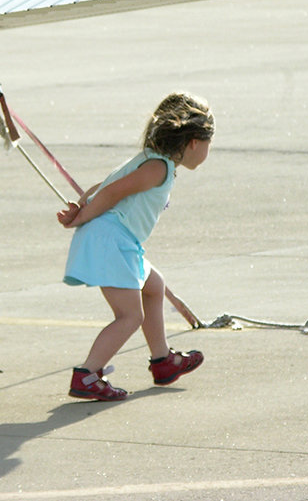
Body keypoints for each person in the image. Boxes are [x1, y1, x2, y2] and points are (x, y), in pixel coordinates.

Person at [58, 92, 214, 401]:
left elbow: (101, 187)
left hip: (120, 241)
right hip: (111, 241)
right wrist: (82, 216)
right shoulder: (157, 168)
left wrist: (80, 207)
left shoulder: (151, 161)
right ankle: (88, 374)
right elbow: (112, 192)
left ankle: (163, 361)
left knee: (154, 286)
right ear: (194, 142)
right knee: (129, 316)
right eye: (209, 143)